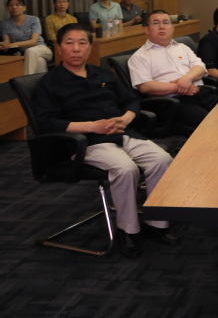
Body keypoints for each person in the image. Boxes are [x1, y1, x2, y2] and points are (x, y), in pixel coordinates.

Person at [35, 23, 178, 258]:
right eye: (69, 43)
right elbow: (47, 123)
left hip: (123, 133)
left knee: (162, 159)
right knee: (125, 168)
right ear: (59, 48)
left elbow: (131, 100)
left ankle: (157, 224)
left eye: (82, 43)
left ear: (90, 47)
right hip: (87, 141)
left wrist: (126, 118)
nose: (76, 48)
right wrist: (92, 126)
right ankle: (128, 231)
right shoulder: (50, 82)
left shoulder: (102, 74)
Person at [129, 10, 218, 130]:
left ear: (172, 28)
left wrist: (187, 79)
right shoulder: (139, 56)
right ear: (146, 30)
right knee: (209, 122)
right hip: (172, 102)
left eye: (166, 22)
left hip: (199, 93)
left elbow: (200, 68)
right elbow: (146, 86)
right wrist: (180, 87)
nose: (162, 27)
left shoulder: (183, 48)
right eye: (155, 23)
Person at [1, 0, 53, 74]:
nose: (14, 7)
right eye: (10, 5)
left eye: (17, 5)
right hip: (23, 53)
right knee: (40, 62)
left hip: (41, 49)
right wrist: (5, 45)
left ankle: (25, 80)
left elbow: (33, 42)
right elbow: (7, 42)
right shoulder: (5, 23)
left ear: (24, 7)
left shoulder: (34, 20)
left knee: (30, 51)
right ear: (7, 8)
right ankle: (43, 81)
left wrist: (14, 44)